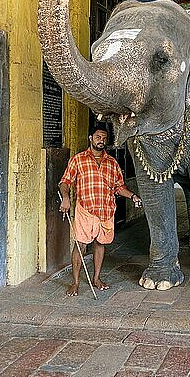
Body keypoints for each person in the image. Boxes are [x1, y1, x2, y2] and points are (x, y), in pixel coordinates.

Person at [58, 124, 142, 297]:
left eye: (104, 138)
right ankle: (75, 283)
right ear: (90, 138)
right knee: (80, 245)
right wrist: (66, 198)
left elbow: (119, 187)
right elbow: (65, 182)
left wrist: (132, 196)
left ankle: (96, 278)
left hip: (106, 210)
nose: (101, 141)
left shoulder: (112, 163)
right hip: (85, 209)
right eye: (98, 137)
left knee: (100, 244)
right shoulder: (78, 159)